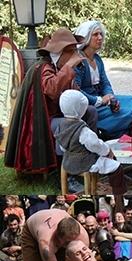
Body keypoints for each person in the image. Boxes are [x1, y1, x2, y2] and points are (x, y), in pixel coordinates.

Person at [5, 28, 98, 174]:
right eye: (71, 51)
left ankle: (89, 156)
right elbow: (52, 89)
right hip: (41, 123)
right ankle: (72, 169)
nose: (74, 55)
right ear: (61, 52)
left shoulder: (58, 67)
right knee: (73, 127)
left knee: (90, 112)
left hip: (57, 115)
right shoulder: (42, 67)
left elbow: (72, 95)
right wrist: (68, 67)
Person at [74, 20, 132, 138]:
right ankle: (110, 131)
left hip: (103, 100)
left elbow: (105, 83)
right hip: (90, 105)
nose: (100, 37)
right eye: (95, 35)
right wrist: (100, 100)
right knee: (131, 111)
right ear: (86, 37)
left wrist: (111, 97)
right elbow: (76, 91)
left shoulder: (97, 59)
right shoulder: (78, 61)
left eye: (101, 34)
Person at [54, 89, 127, 195]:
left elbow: (62, 146)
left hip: (67, 161)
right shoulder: (82, 130)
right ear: (80, 109)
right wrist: (107, 151)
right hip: (85, 163)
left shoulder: (60, 125)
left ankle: (98, 186)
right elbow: (95, 145)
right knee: (116, 167)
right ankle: (118, 192)